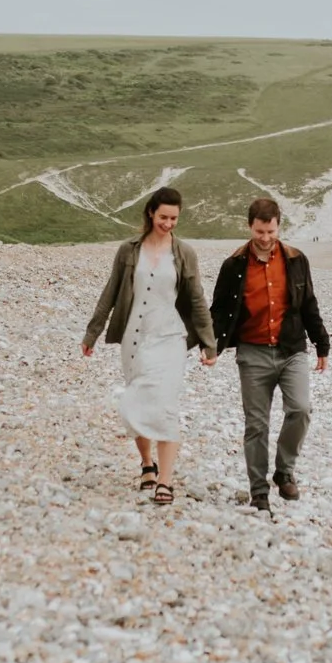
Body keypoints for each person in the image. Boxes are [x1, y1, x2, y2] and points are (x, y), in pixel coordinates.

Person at [82, 186, 216, 506]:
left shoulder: (184, 253)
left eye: (174, 218)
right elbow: (111, 292)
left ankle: (165, 482)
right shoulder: (129, 250)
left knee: (166, 405)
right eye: (163, 217)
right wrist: (92, 333)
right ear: (150, 213)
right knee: (136, 402)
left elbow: (197, 299)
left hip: (170, 338)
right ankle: (147, 465)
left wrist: (209, 343)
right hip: (134, 338)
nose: (169, 223)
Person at [210, 196, 330, 510]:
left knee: (301, 410)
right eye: (260, 232)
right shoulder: (234, 265)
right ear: (250, 227)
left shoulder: (295, 259)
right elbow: (219, 311)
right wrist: (212, 347)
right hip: (253, 353)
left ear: (279, 227)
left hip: (292, 350)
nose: (265, 239)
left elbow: (308, 304)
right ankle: (259, 492)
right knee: (256, 424)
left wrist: (321, 344)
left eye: (271, 232)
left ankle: (284, 470)